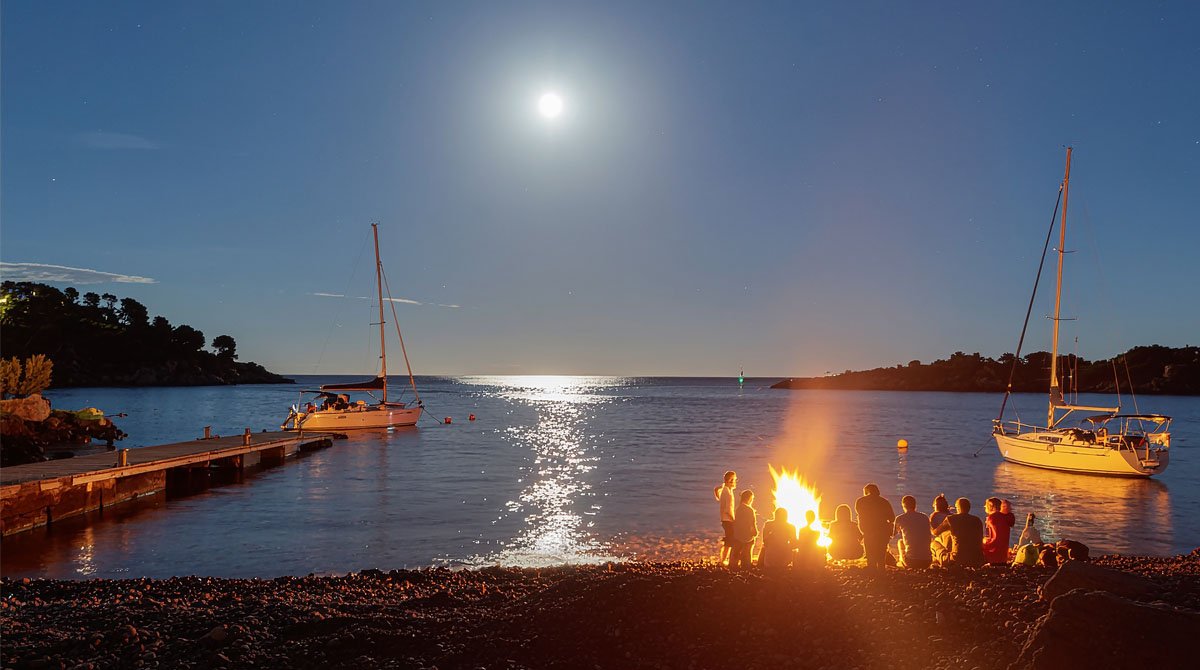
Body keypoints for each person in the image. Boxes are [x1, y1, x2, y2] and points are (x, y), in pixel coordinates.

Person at [931, 497, 985, 567]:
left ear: (958, 508)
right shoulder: (977, 520)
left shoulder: (951, 519)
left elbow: (935, 532)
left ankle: (937, 564)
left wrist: (930, 526)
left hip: (956, 559)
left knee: (934, 543)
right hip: (977, 560)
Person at [855, 483, 896, 570]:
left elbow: (859, 514)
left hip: (868, 531)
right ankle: (881, 567)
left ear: (867, 492)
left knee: (870, 552)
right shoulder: (885, 502)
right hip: (882, 532)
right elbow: (892, 518)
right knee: (881, 552)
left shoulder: (860, 501)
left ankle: (871, 567)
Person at [893, 495, 933, 569]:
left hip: (911, 562)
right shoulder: (925, 517)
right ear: (915, 505)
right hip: (927, 561)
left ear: (903, 505)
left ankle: (903, 562)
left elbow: (893, 534)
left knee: (900, 542)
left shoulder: (900, 518)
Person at [712, 471, 738, 566]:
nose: (735, 482)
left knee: (729, 540)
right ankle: (724, 560)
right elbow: (728, 510)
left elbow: (717, 493)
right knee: (730, 540)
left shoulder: (725, 490)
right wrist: (735, 520)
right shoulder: (728, 493)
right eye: (734, 480)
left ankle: (724, 559)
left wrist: (718, 488)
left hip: (725, 519)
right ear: (729, 481)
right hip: (728, 520)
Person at [729, 490, 758, 570]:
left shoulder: (737, 509)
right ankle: (746, 564)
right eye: (752, 499)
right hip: (747, 538)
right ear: (749, 499)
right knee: (750, 545)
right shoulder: (750, 510)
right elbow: (752, 526)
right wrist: (755, 533)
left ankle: (733, 564)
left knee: (736, 549)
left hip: (737, 536)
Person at [982, 497, 1016, 565]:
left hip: (994, 555)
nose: (985, 507)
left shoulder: (992, 518)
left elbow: (994, 539)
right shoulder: (1006, 517)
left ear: (990, 506)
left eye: (986, 506)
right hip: (1003, 556)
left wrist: (984, 546)